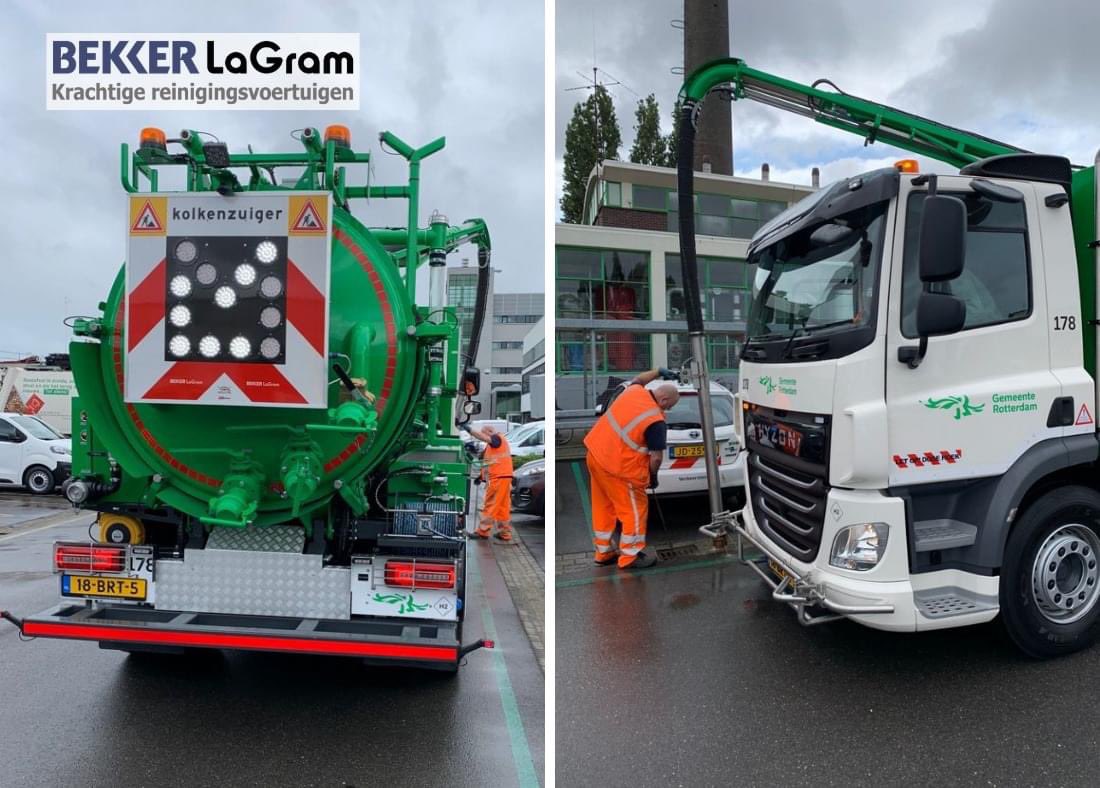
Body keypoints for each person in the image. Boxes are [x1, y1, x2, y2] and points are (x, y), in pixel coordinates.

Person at [583, 368, 680, 569]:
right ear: (663, 401)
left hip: (595, 455)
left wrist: (659, 371)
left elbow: (639, 379)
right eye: (668, 407)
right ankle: (630, 555)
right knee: (634, 510)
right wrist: (653, 476)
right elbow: (656, 457)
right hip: (619, 468)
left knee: (604, 506)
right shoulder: (656, 420)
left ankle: (604, 552)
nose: (667, 411)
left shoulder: (634, 391)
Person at [468, 424, 514, 543]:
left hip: (499, 478)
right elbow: (490, 462)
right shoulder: (494, 444)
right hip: (504, 477)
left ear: (489, 432)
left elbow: (484, 439)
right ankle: (505, 533)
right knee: (502, 507)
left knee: (491, 505)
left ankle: (482, 532)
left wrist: (468, 429)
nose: (482, 437)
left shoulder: (496, 439)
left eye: (484, 434)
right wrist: (481, 476)